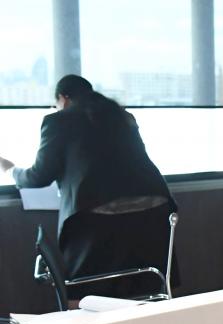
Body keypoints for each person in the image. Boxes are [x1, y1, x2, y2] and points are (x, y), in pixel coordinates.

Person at [0, 75, 177, 299]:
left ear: (63, 99)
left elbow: (38, 176)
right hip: (154, 210)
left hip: (97, 219)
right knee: (150, 287)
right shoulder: (121, 115)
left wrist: (10, 170)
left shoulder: (58, 120)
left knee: (86, 292)